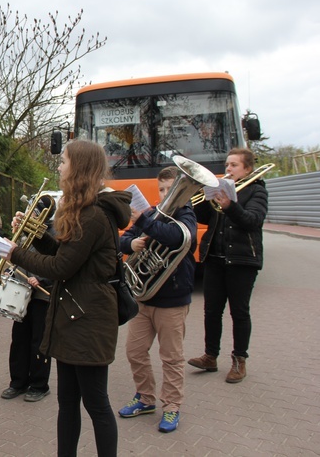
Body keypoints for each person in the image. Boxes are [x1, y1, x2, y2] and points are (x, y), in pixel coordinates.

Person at [5, 140, 131, 457]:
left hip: (89, 319)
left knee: (96, 403)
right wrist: (34, 235)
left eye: (63, 162)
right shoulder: (82, 211)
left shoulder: (93, 216)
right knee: (68, 402)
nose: (59, 167)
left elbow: (60, 267)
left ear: (79, 168)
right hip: (74, 316)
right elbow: (65, 253)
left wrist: (16, 253)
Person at [117, 166, 197, 433]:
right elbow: (124, 238)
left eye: (170, 189)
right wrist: (132, 245)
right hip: (144, 298)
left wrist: (145, 224)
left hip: (173, 300)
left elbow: (177, 238)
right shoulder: (151, 213)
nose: (165, 194)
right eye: (161, 189)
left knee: (171, 358)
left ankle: (172, 406)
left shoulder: (186, 214)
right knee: (135, 352)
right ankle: (145, 398)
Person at [188, 148, 268, 383]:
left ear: (247, 169)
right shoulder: (221, 188)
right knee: (211, 310)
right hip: (215, 257)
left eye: (234, 165)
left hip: (242, 261)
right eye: (227, 164)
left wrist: (230, 205)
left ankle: (239, 360)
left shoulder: (257, 190)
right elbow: (204, 218)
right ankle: (210, 355)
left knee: (239, 312)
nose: (228, 169)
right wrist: (205, 198)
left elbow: (253, 221)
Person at [1, 197, 55, 404]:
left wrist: (41, 278)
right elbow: (18, 254)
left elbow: (55, 262)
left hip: (42, 294)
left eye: (34, 211)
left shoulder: (52, 232)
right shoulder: (24, 232)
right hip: (21, 292)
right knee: (19, 339)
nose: (29, 214)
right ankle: (18, 382)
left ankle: (40, 385)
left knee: (38, 341)